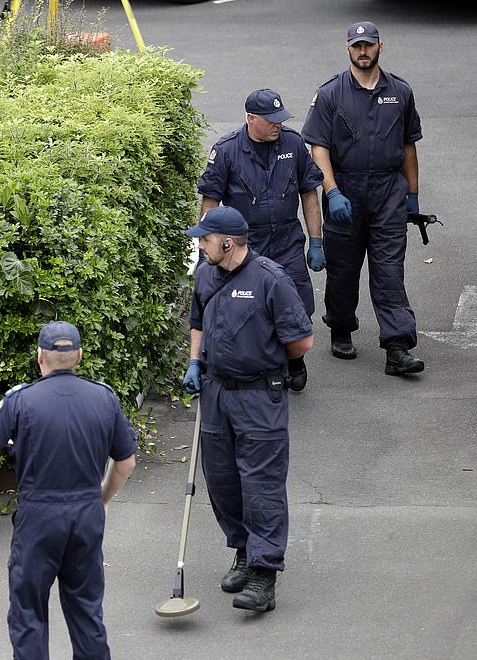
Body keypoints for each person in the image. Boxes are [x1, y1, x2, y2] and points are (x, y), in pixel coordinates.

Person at [0, 322, 137, 659]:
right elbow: (126, 463)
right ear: (79, 356)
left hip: (39, 517)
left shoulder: (20, 400)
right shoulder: (104, 397)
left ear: (40, 357)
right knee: (86, 612)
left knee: (28, 613)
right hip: (86, 514)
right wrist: (101, 499)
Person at [182, 206, 313, 612]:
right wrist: (194, 361)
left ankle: (263, 575)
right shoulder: (205, 273)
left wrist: (278, 366)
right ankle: (243, 550)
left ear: (227, 242)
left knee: (261, 484)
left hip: (259, 396)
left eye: (205, 240)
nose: (200, 246)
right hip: (216, 393)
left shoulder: (271, 280)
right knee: (222, 481)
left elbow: (301, 342)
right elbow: (198, 320)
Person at [301, 21, 425, 376]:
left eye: (368, 45)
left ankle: (398, 346)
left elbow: (408, 145)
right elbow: (318, 148)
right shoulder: (330, 94)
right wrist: (333, 191)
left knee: (389, 271)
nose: (363, 51)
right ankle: (341, 326)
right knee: (342, 270)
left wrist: (412, 194)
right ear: (348, 49)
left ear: (380, 47)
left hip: (388, 192)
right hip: (346, 192)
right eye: (356, 46)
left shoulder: (400, 91)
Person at [197, 88, 325, 391]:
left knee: (298, 304)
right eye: (271, 121)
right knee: (249, 308)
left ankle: (295, 360)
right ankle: (270, 362)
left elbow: (309, 192)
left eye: (280, 119)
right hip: (247, 247)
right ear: (251, 119)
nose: (277, 125)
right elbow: (210, 201)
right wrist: (206, 246)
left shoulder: (293, 144)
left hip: (286, 241)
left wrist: (316, 240)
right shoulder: (227, 150)